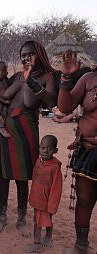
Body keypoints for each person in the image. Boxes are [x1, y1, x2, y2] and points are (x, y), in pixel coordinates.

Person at [0, 40, 57, 237]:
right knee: (3, 174)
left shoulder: (48, 77)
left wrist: (30, 82)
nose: (26, 58)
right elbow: (3, 95)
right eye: (24, 55)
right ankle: (2, 216)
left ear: (40, 55)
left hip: (26, 129)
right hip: (7, 125)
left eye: (30, 54)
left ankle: (21, 218)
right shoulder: (17, 76)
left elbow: (47, 101)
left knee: (21, 176)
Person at [58, 50, 96, 254]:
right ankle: (81, 246)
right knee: (84, 200)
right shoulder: (89, 79)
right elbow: (65, 107)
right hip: (88, 150)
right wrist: (66, 77)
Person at [26, 135, 62, 253]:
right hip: (37, 199)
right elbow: (34, 178)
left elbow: (57, 189)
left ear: (55, 151)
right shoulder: (38, 161)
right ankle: (41, 240)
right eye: (43, 148)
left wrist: (52, 205)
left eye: (49, 149)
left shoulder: (55, 168)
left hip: (47, 201)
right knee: (37, 221)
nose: (45, 151)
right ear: (39, 148)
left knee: (47, 220)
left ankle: (42, 240)